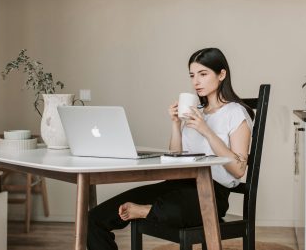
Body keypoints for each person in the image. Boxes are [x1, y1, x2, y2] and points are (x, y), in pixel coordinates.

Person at [87, 47, 255, 249]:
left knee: (175, 209)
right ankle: (153, 209)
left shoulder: (236, 113)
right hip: (177, 184)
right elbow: (177, 155)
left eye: (203, 74)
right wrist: (175, 124)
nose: (196, 82)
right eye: (192, 75)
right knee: (93, 219)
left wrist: (206, 131)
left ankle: (146, 211)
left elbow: (238, 169)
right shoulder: (196, 111)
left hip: (211, 193)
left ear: (221, 74)